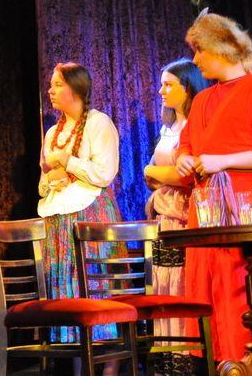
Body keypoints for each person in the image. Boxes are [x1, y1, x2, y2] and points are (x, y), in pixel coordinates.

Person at [175, 13, 252, 361]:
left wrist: (221, 161)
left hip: (247, 208)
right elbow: (187, 144)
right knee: (212, 291)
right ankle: (221, 362)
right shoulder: (202, 100)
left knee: (243, 288)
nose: (196, 59)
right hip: (209, 210)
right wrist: (184, 158)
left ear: (221, 49)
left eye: (200, 50)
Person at [37, 62, 123, 375]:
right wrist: (51, 179)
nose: (50, 90)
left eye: (57, 84)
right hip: (59, 219)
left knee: (96, 284)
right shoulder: (52, 133)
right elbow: (43, 183)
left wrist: (68, 162)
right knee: (67, 289)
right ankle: (75, 364)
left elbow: (103, 173)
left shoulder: (99, 123)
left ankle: (110, 362)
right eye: (51, 84)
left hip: (91, 214)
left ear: (76, 89)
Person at [143, 58, 210, 363]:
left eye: (168, 85)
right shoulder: (169, 126)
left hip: (184, 216)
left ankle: (187, 355)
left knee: (182, 284)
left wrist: (153, 171)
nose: (161, 91)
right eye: (162, 84)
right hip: (164, 216)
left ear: (188, 87)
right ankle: (168, 355)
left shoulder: (196, 124)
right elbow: (155, 175)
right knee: (164, 284)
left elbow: (186, 176)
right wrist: (155, 174)